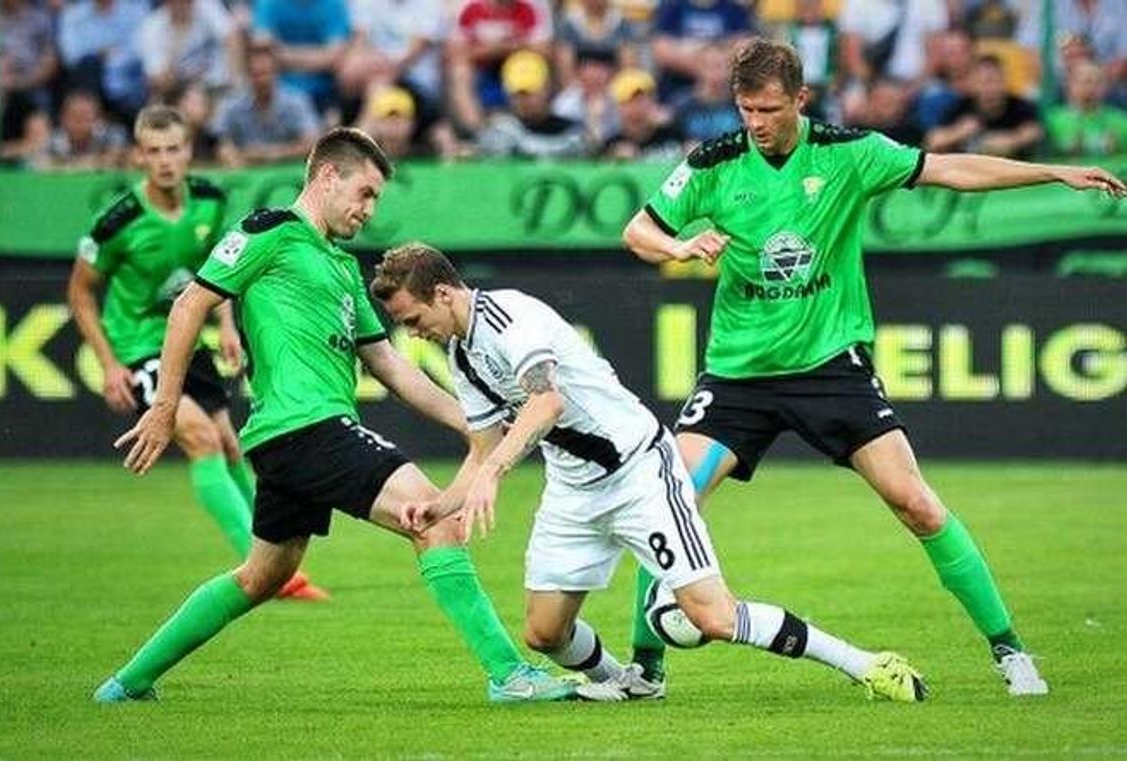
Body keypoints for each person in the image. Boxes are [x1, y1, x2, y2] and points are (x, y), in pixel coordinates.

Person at [623, 37, 1126, 697]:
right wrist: (680, 245)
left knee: (916, 503)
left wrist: (1053, 172)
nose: (755, 123)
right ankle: (644, 669)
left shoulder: (848, 153)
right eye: (745, 108)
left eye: (769, 109)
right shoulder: (714, 163)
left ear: (800, 99)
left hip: (832, 366)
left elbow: (951, 169)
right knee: (669, 501)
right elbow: (638, 230)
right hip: (737, 375)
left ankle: (1010, 650)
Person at [94, 127, 575, 705]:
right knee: (436, 521)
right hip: (307, 428)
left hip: (290, 439)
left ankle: (127, 683)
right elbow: (191, 303)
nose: (369, 210)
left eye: (376, 199)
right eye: (365, 193)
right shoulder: (269, 232)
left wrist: (475, 423)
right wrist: (166, 407)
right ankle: (508, 675)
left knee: (260, 577)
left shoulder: (345, 269)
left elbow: (391, 367)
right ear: (327, 177)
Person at [370, 243, 929, 704]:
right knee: (544, 633)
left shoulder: (511, 315)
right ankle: (625, 682)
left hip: (639, 473)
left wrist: (495, 470)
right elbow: (483, 445)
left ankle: (865, 664)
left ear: (442, 293)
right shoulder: (463, 355)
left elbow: (546, 404)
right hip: (573, 489)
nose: (414, 333)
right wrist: (445, 504)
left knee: (712, 616)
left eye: (414, 319)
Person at [67, 105, 325, 601]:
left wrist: (226, 323)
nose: (166, 160)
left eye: (175, 149)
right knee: (203, 440)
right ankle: (273, 579)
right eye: (155, 151)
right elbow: (79, 292)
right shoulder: (116, 221)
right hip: (139, 346)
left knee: (231, 446)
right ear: (139, 157)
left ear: (189, 152)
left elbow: (220, 270)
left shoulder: (210, 199)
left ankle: (271, 558)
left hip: (188, 341)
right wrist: (109, 364)